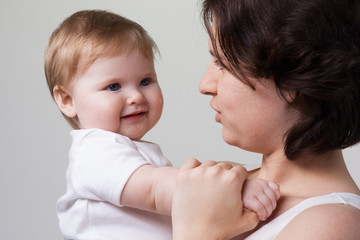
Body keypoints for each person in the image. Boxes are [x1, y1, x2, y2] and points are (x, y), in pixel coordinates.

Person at [44, 9, 281, 240]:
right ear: (67, 100)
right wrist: (236, 190)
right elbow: (155, 191)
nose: (135, 96)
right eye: (113, 86)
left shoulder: (123, 150)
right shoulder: (94, 152)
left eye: (145, 81)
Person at [171, 0, 360, 239]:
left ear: (294, 82)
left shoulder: (330, 226)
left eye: (223, 64)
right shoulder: (226, 185)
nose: (205, 85)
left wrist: (195, 231)